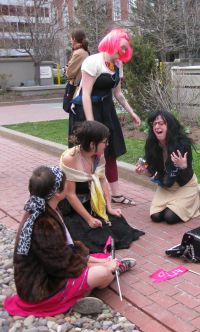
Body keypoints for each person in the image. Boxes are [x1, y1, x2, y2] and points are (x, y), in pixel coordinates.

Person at [3, 166, 136, 317]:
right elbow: (63, 265)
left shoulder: (47, 208)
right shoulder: (43, 224)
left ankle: (95, 282)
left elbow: (65, 251)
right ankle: (107, 275)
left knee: (101, 259)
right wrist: (102, 265)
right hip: (42, 290)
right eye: (65, 182)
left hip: (48, 274)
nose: (69, 184)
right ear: (58, 193)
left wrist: (97, 261)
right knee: (103, 273)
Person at [70, 28, 141, 205]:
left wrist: (131, 112)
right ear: (112, 43)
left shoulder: (118, 65)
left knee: (110, 151)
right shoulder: (92, 61)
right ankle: (86, 195)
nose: (123, 51)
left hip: (106, 110)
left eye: (126, 48)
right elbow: (85, 94)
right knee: (89, 153)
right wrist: (91, 124)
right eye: (121, 47)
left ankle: (115, 195)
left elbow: (117, 92)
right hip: (87, 110)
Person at [60, 120, 145, 253]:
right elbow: (70, 195)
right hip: (73, 205)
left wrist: (109, 207)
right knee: (92, 236)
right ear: (92, 144)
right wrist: (89, 219)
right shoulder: (70, 158)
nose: (107, 144)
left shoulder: (99, 155)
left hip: (92, 200)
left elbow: (103, 180)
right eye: (104, 141)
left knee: (118, 227)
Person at [135, 111, 200, 224]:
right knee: (155, 216)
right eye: (154, 124)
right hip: (166, 186)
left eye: (161, 123)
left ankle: (189, 203)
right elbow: (150, 167)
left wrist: (183, 166)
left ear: (169, 126)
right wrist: (144, 170)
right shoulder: (152, 144)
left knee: (170, 217)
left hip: (184, 186)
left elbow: (186, 175)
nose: (157, 127)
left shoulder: (182, 144)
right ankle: (173, 205)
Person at [66, 29, 89, 136]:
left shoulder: (79, 53)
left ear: (74, 39)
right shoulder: (83, 52)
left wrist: (66, 68)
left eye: (71, 38)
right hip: (79, 87)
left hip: (76, 87)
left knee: (74, 116)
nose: (70, 40)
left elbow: (69, 73)